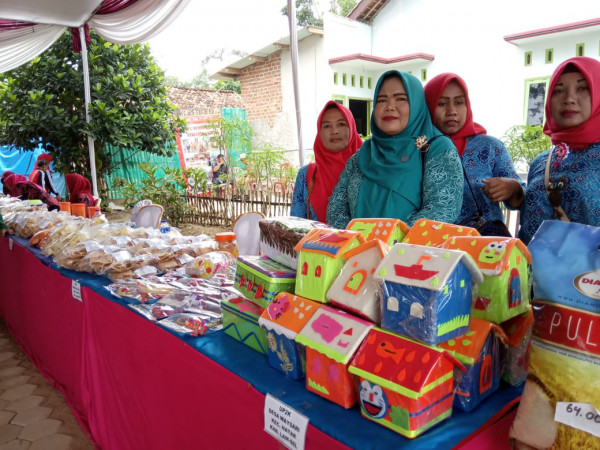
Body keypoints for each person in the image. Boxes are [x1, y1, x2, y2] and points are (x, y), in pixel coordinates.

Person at [327, 70, 463, 229]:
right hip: (357, 251)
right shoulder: (364, 154)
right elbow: (336, 207)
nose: (389, 107)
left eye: (401, 99)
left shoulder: (435, 148)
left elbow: (442, 210)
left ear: (416, 103)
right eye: (382, 100)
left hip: (411, 252)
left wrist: (389, 243)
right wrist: (355, 242)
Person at [424, 73, 524, 235]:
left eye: (459, 102)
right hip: (435, 246)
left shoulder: (491, 147)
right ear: (428, 106)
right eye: (441, 104)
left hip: (484, 247)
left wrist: (511, 187)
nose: (452, 111)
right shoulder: (420, 150)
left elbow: (520, 198)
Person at [519, 56, 600, 245]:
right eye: (558, 91)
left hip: (588, 274)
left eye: (582, 88)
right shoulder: (541, 162)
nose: (569, 99)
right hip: (532, 272)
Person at [291, 101, 362, 222]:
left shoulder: (367, 169)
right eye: (327, 126)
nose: (334, 131)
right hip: (316, 241)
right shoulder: (306, 175)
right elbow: (297, 226)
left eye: (341, 124)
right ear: (319, 132)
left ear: (352, 127)